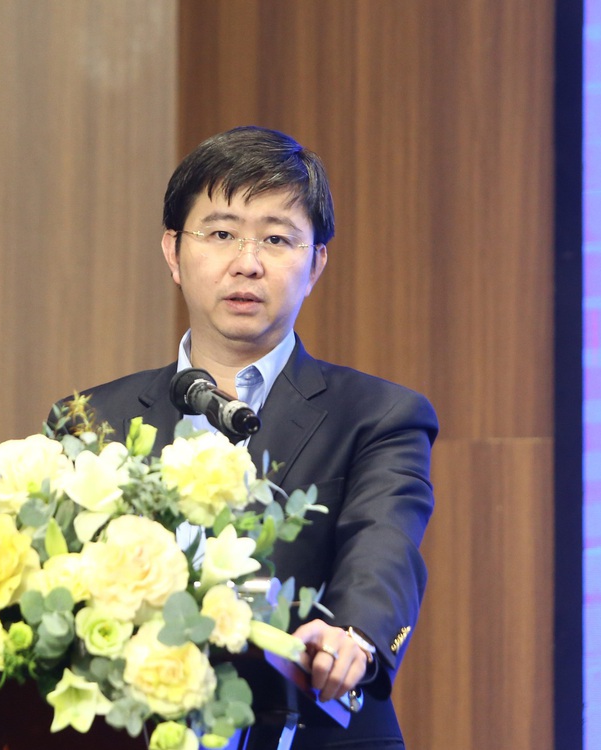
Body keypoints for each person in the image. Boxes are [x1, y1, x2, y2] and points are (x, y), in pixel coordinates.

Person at [73, 125, 438, 749]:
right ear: (172, 251)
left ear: (315, 263)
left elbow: (384, 544)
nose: (247, 262)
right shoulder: (91, 419)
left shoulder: (379, 416)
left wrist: (352, 635)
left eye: (276, 238)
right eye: (221, 234)